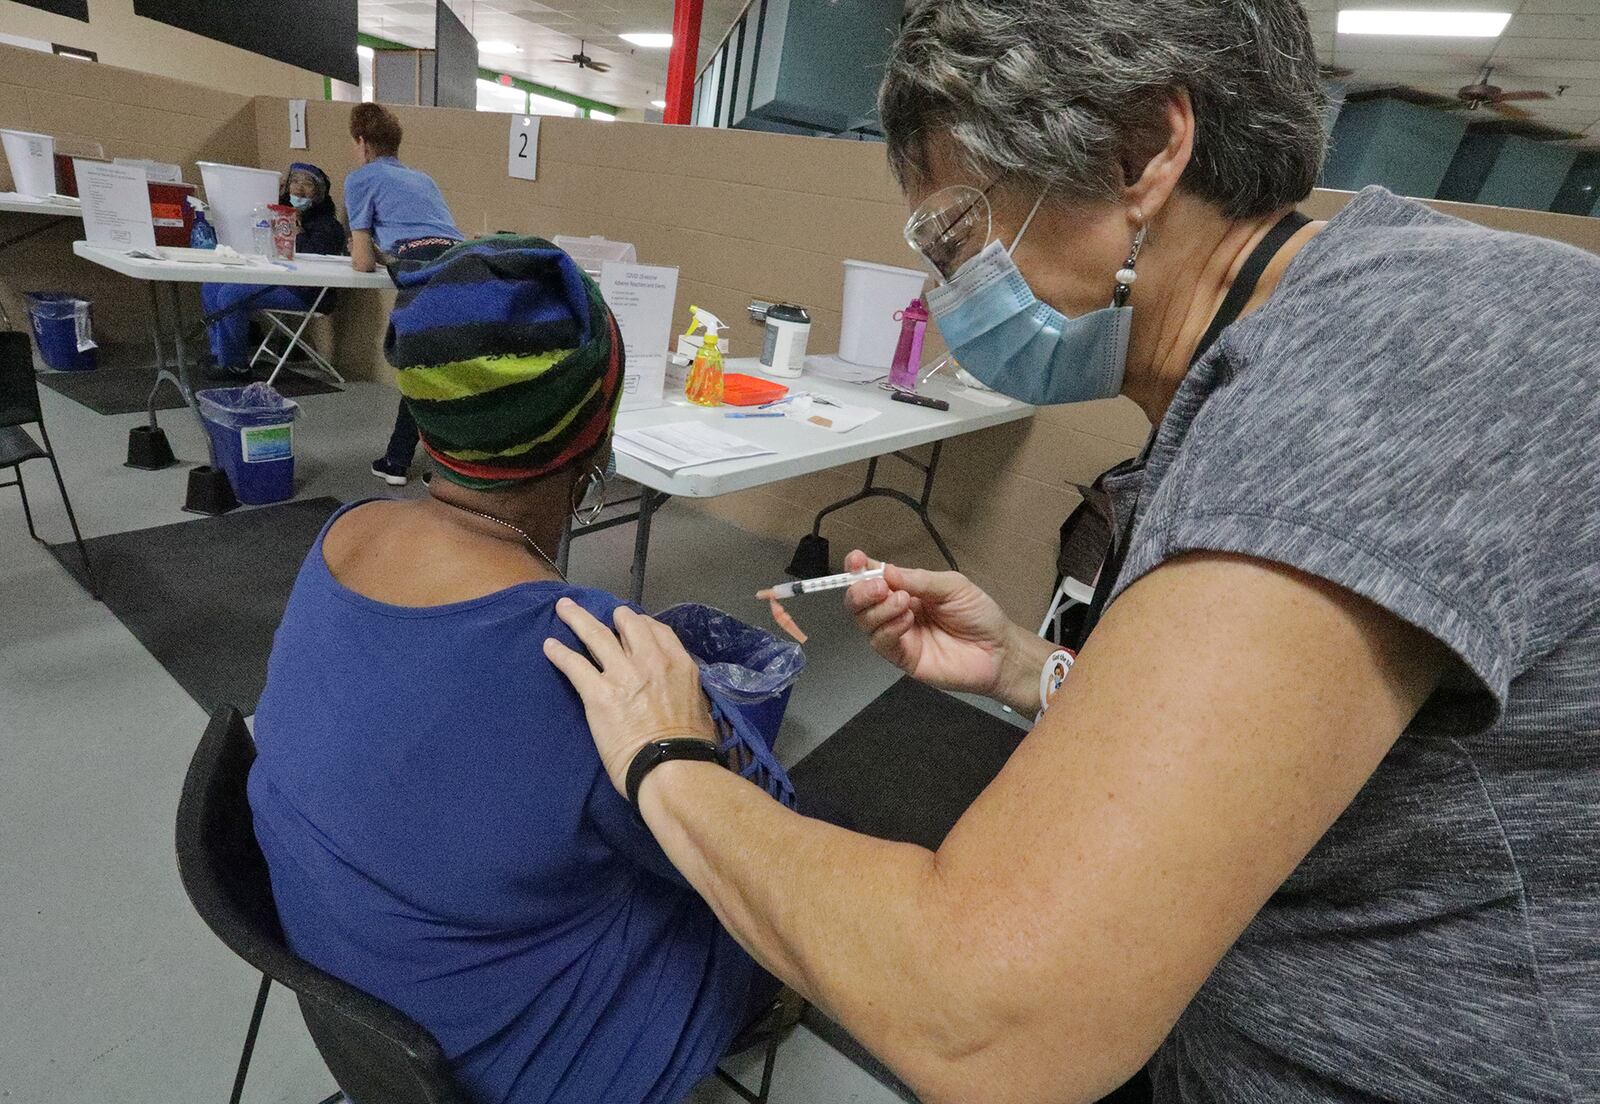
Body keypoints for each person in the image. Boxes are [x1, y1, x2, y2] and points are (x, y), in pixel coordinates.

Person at [543, 3, 1600, 1103]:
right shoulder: (1301, 355)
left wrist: (666, 764)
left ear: (1140, 152)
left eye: (958, 234)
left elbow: (984, 1016)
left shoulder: (1388, 365)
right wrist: (1029, 668)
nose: (954, 301)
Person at [249, 237, 794, 1104]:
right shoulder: (581, 649)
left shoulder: (344, 533)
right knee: (760, 900)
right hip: (505, 1058)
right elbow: (733, 846)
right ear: (595, 440)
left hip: (344, 987)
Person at [343, 101, 464, 487]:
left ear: (361, 143)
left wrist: (359, 250)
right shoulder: (423, 179)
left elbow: (362, 262)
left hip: (421, 269)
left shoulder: (360, 178)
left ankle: (399, 462)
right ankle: (439, 466)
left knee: (416, 372)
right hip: (461, 266)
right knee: (442, 371)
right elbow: (430, 231)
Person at [199, 162, 345, 381]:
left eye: (307, 184)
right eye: (294, 182)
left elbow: (317, 261)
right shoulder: (277, 213)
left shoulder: (328, 225)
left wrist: (298, 232)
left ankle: (236, 364)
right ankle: (220, 353)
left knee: (231, 295)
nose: (299, 189)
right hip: (276, 278)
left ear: (319, 193)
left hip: (308, 292)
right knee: (212, 286)